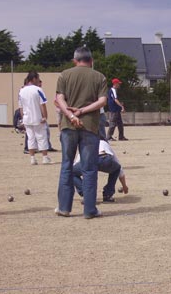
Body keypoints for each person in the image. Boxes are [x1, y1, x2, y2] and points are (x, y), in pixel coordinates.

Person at [55, 46, 107, 219]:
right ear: (91, 61)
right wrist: (82, 111)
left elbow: (59, 99)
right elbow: (102, 101)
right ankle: (89, 210)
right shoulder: (99, 77)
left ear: (74, 60)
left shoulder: (64, 75)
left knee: (66, 165)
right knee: (89, 169)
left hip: (68, 126)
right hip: (90, 126)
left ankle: (64, 207)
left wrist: (70, 114)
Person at [18, 71, 53, 165]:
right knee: (42, 137)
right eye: (37, 79)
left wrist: (23, 118)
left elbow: (21, 107)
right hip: (37, 117)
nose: (38, 81)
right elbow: (43, 104)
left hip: (27, 118)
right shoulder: (38, 89)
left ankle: (32, 158)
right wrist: (45, 116)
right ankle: (45, 157)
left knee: (30, 138)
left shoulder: (21, 91)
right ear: (34, 79)